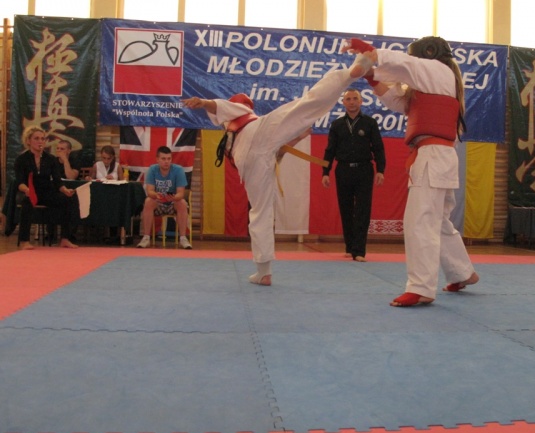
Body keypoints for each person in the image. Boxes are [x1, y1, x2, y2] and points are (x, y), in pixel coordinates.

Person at [182, 53, 373, 286]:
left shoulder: (231, 127)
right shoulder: (242, 110)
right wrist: (203, 102)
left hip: (249, 160)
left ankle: (264, 271)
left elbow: (275, 152)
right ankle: (347, 75)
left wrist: (298, 137)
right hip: (257, 137)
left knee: (260, 212)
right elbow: (218, 106)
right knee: (306, 105)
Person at [345, 36, 478, 307]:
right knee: (438, 221)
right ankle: (462, 272)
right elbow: (399, 102)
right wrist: (371, 78)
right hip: (437, 156)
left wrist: (372, 53)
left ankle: (421, 287)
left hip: (433, 157)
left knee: (420, 222)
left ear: (428, 53)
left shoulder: (437, 71)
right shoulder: (433, 83)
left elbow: (406, 65)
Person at [322, 88, 385, 262]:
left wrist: (381, 170)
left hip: (364, 170)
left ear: (361, 101)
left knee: (363, 210)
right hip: (343, 170)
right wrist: (325, 172)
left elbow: (378, 148)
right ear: (343, 102)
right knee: (346, 209)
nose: (351, 102)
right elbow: (330, 150)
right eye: (348, 99)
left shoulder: (370, 123)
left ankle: (359, 251)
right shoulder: (337, 124)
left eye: (355, 98)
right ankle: (350, 246)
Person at [14, 126, 80, 250]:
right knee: (27, 202)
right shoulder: (22, 159)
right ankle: (24, 240)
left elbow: (57, 181)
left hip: (46, 192)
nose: (40, 141)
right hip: (28, 191)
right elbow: (20, 181)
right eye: (36, 138)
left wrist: (65, 190)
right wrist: (26, 190)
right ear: (28, 141)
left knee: (67, 199)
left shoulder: (50, 159)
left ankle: (65, 239)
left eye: (42, 139)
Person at [137, 146, 192, 250]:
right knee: (148, 201)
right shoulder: (152, 169)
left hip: (172, 203)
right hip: (158, 202)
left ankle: (183, 238)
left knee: (182, 203)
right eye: (163, 159)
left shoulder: (178, 170)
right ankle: (146, 237)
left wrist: (174, 197)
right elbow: (149, 191)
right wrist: (156, 195)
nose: (166, 162)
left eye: (169, 159)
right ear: (157, 159)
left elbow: (181, 193)